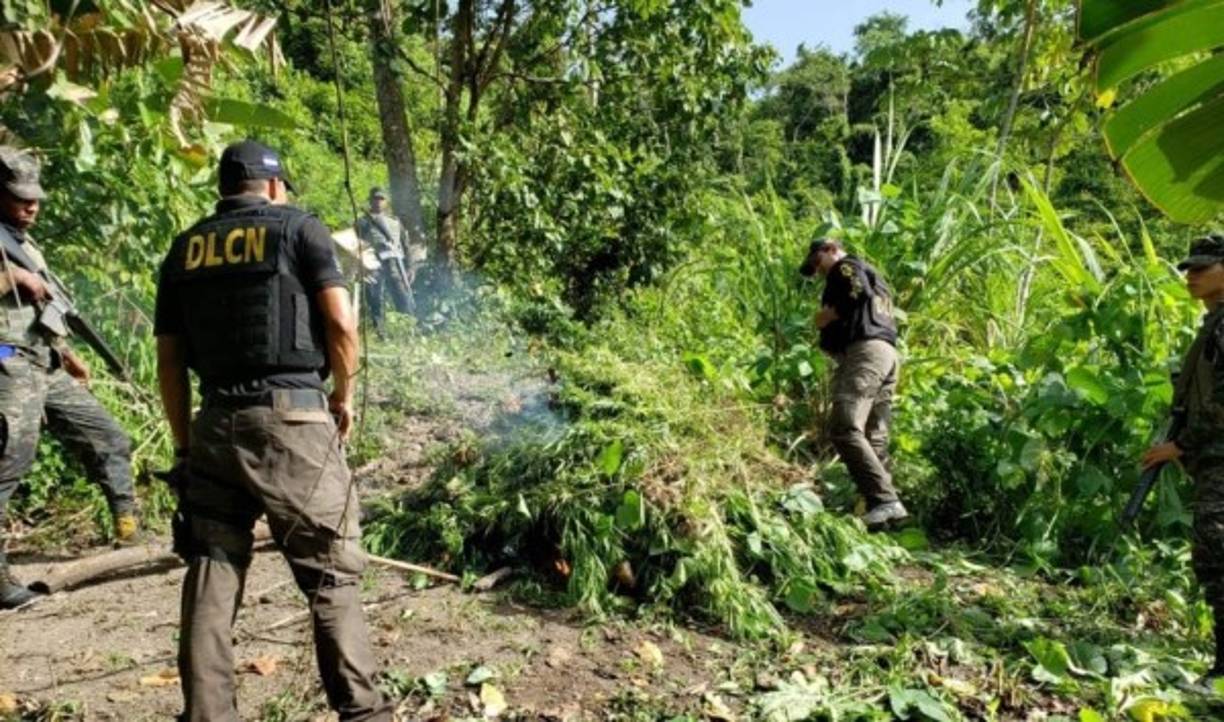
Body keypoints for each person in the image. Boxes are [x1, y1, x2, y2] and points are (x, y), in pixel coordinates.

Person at [154, 139, 392, 721]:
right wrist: (344, 395)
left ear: (225, 187)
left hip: (213, 425)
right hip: (293, 421)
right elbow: (340, 322)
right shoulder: (301, 231)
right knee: (331, 575)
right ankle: (364, 713)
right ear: (276, 186)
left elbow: (168, 360)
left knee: (212, 568)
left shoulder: (185, 249)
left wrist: (186, 445)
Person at [0, 146, 139, 609]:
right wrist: (13, 278)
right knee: (8, 462)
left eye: (35, 197)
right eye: (20, 197)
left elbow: (38, 307)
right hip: (5, 361)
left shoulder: (22, 242)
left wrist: (65, 351)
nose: (32, 205)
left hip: (41, 358)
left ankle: (127, 527)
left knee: (107, 436)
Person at [1142, 232, 1224, 688]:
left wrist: (1184, 446)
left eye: (1203, 267)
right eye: (1189, 268)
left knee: (1218, 554)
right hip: (1212, 458)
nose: (1191, 276)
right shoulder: (1214, 324)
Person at [799, 238, 907, 530]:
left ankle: (885, 501)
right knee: (874, 436)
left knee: (844, 425)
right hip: (887, 353)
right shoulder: (878, 281)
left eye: (817, 263)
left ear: (831, 248)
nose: (819, 271)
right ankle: (882, 516)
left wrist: (827, 316)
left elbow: (855, 293)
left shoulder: (846, 267)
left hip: (867, 353)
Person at [356, 187, 414, 336]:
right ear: (370, 200)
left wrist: (410, 267)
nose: (378, 202)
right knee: (375, 299)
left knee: (403, 297)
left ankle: (407, 331)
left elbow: (405, 246)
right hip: (374, 264)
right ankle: (380, 333)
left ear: (386, 201)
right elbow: (356, 245)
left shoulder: (395, 222)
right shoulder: (363, 222)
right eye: (375, 198)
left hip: (395, 264)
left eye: (381, 199)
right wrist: (361, 266)